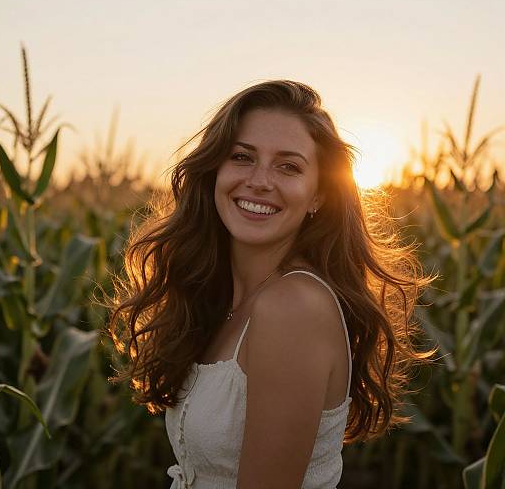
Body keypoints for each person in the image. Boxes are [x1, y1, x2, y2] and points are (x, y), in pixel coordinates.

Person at [108, 80, 435, 488]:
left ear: (318, 196)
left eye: (288, 166)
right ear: (214, 172)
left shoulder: (293, 308)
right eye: (242, 157)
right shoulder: (228, 301)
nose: (260, 180)